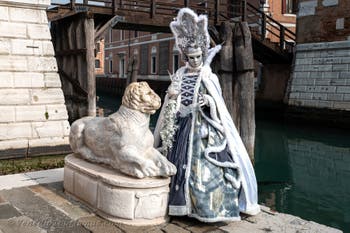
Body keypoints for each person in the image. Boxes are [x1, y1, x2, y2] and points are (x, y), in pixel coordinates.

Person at [154, 8, 260, 222]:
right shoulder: (180, 74)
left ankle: (207, 210)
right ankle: (182, 208)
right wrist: (171, 95)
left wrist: (209, 101)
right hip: (181, 125)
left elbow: (218, 102)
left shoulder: (208, 76)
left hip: (202, 126)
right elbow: (172, 100)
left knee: (202, 170)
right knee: (178, 166)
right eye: (190, 57)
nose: (194, 61)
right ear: (185, 57)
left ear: (203, 55)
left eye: (198, 57)